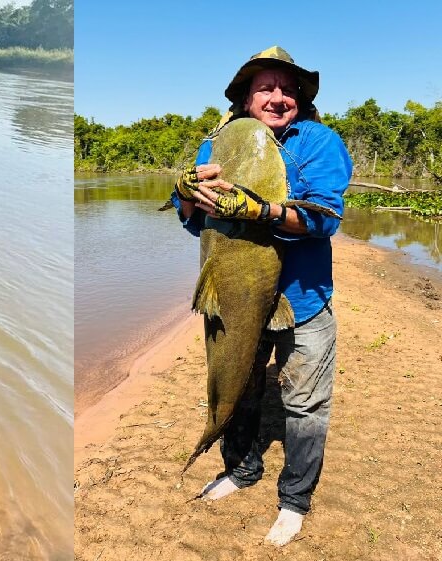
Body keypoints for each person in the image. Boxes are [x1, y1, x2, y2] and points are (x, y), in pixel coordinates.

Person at [171, 46, 352, 546]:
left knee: (305, 404)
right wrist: (186, 191)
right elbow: (193, 221)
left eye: (288, 89)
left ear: (300, 99)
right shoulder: (219, 142)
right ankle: (240, 468)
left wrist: (261, 211)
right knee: (240, 388)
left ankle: (294, 500)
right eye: (266, 88)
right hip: (229, 296)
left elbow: (324, 217)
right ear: (245, 97)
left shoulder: (318, 142)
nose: (278, 97)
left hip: (303, 299)